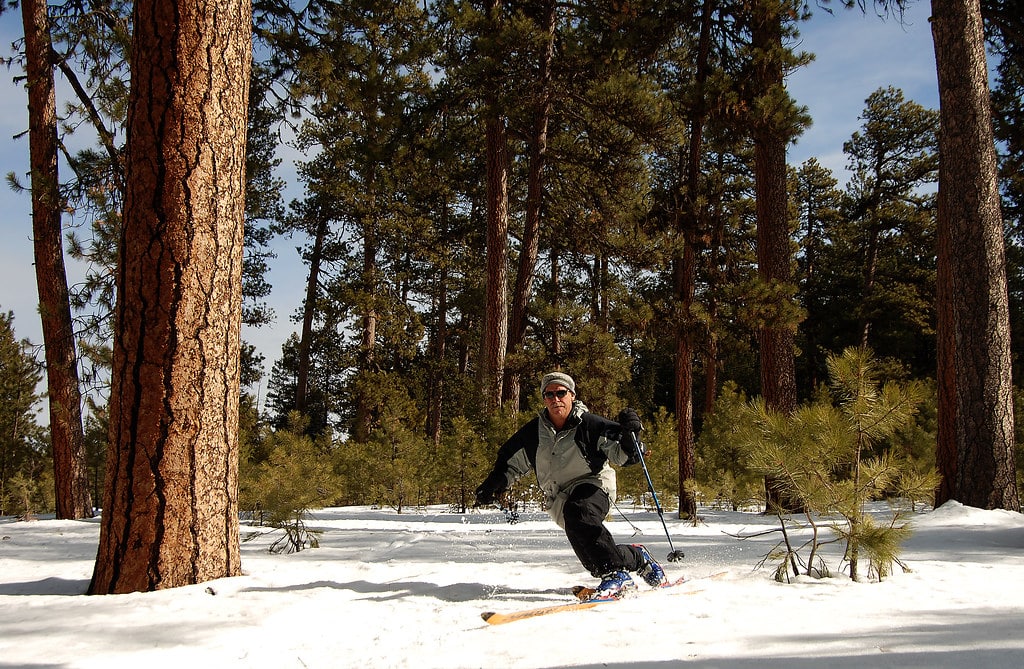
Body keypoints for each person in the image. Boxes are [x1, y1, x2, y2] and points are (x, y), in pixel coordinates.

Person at [474, 371, 667, 598]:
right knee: (587, 544)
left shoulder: (590, 425)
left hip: (594, 484)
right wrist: (491, 486)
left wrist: (630, 434)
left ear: (572, 395)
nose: (555, 399)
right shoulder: (533, 433)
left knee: (579, 512)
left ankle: (616, 575)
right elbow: (510, 463)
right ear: (544, 399)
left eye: (561, 393)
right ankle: (637, 559)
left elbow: (625, 456)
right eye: (549, 395)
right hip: (559, 497)